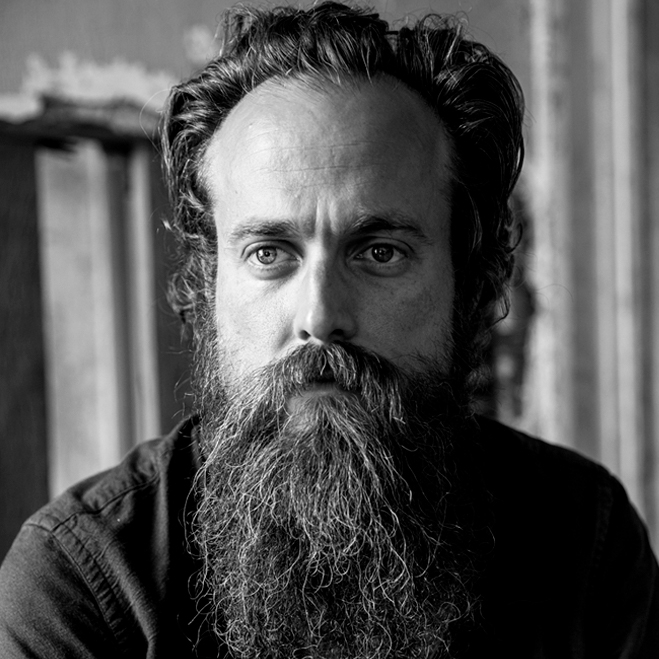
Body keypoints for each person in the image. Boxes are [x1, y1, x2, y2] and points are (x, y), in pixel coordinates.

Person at [1, 3, 657, 657]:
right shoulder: (83, 586)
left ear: (474, 284)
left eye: (379, 252)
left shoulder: (585, 542)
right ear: (207, 285)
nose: (318, 316)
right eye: (268, 253)